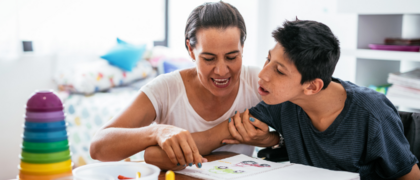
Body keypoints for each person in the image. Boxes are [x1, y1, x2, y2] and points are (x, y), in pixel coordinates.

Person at [90, 1, 279, 171]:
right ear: (190, 49)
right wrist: (156, 132)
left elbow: (300, 132)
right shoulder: (166, 89)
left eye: (232, 57)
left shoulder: (258, 82)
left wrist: (270, 140)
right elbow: (98, 148)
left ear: (242, 48)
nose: (222, 71)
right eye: (209, 58)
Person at [225, 19, 420, 179]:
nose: (263, 75)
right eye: (268, 59)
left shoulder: (372, 113)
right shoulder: (283, 100)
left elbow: (410, 177)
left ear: (311, 86)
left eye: (279, 71)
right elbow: (220, 134)